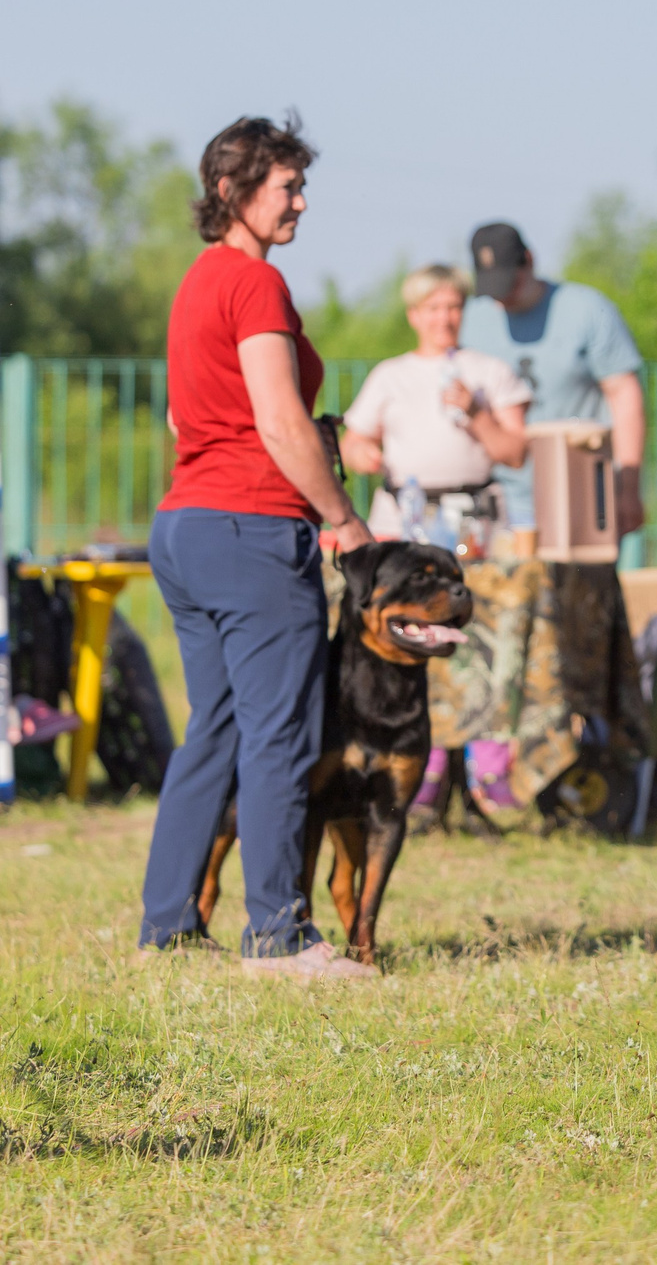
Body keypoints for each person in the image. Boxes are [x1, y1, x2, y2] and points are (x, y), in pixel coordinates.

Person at [136, 116, 379, 978]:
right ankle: (276, 933)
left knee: (218, 729)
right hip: (251, 529)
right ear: (234, 192)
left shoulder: (196, 282)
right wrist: (342, 517)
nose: (302, 202)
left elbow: (181, 417)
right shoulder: (254, 285)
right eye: (288, 186)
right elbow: (278, 419)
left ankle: (166, 923)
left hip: (186, 526)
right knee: (280, 734)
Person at [458, 223, 646, 539]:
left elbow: (624, 396)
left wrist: (628, 487)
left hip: (583, 492)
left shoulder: (586, 310)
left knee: (584, 588)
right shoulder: (471, 320)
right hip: (501, 498)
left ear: (529, 261)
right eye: (492, 286)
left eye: (509, 282)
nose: (502, 296)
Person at [338, 264, 533, 540]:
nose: (444, 318)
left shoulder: (491, 370)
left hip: (475, 524)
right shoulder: (389, 375)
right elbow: (351, 445)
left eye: (453, 307)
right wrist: (362, 454)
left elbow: (516, 455)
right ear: (413, 315)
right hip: (401, 520)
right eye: (433, 308)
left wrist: (477, 415)